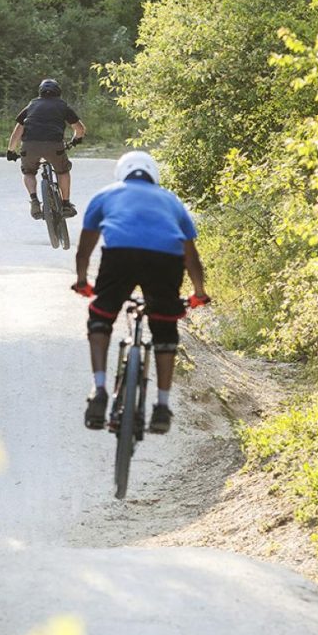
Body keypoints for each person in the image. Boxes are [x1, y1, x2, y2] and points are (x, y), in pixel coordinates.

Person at [72, 150, 208, 435]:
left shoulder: (106, 195)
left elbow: (85, 248)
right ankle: (161, 406)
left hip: (119, 256)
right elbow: (190, 255)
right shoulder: (172, 201)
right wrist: (199, 292)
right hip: (165, 260)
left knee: (100, 315)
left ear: (121, 173)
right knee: (164, 327)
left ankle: (99, 390)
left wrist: (83, 281)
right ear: (153, 175)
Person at [6, 78, 86, 219]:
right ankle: (66, 204)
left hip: (30, 146)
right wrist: (76, 139)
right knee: (62, 171)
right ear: (58, 92)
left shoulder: (31, 106)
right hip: (54, 146)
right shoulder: (62, 106)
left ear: (40, 92)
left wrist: (11, 150)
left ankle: (35, 200)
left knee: (29, 172)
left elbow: (17, 131)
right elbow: (80, 129)